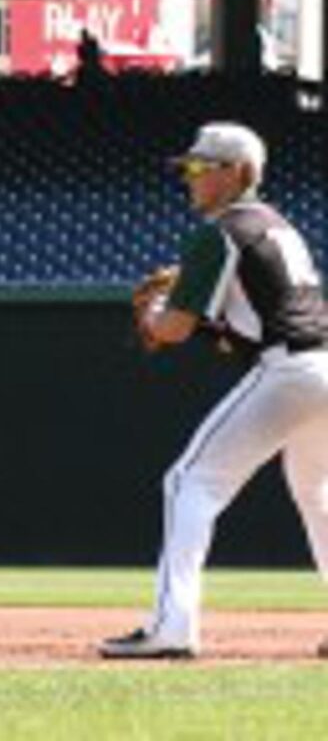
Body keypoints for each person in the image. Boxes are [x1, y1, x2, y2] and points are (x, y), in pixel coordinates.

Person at [100, 122, 328, 659]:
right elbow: (247, 309)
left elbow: (175, 329)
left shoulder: (220, 231)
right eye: (189, 168)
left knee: (189, 482)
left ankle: (171, 629)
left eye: (202, 168)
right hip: (323, 364)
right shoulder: (275, 225)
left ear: (238, 174)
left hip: (289, 370)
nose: (190, 178)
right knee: (318, 494)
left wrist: (158, 314)